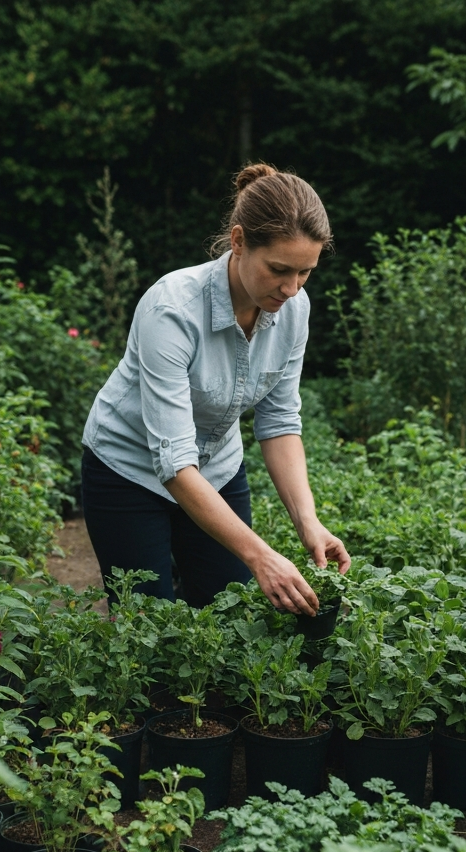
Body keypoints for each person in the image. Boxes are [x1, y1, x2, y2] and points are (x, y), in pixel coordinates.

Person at [80, 162, 350, 614]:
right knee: (149, 627)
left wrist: (309, 523)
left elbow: (280, 421)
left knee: (226, 614)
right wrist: (262, 555)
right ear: (239, 241)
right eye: (280, 269)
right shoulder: (171, 309)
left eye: (306, 272)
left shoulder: (294, 308)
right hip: (128, 471)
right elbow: (173, 460)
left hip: (216, 469)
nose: (291, 288)